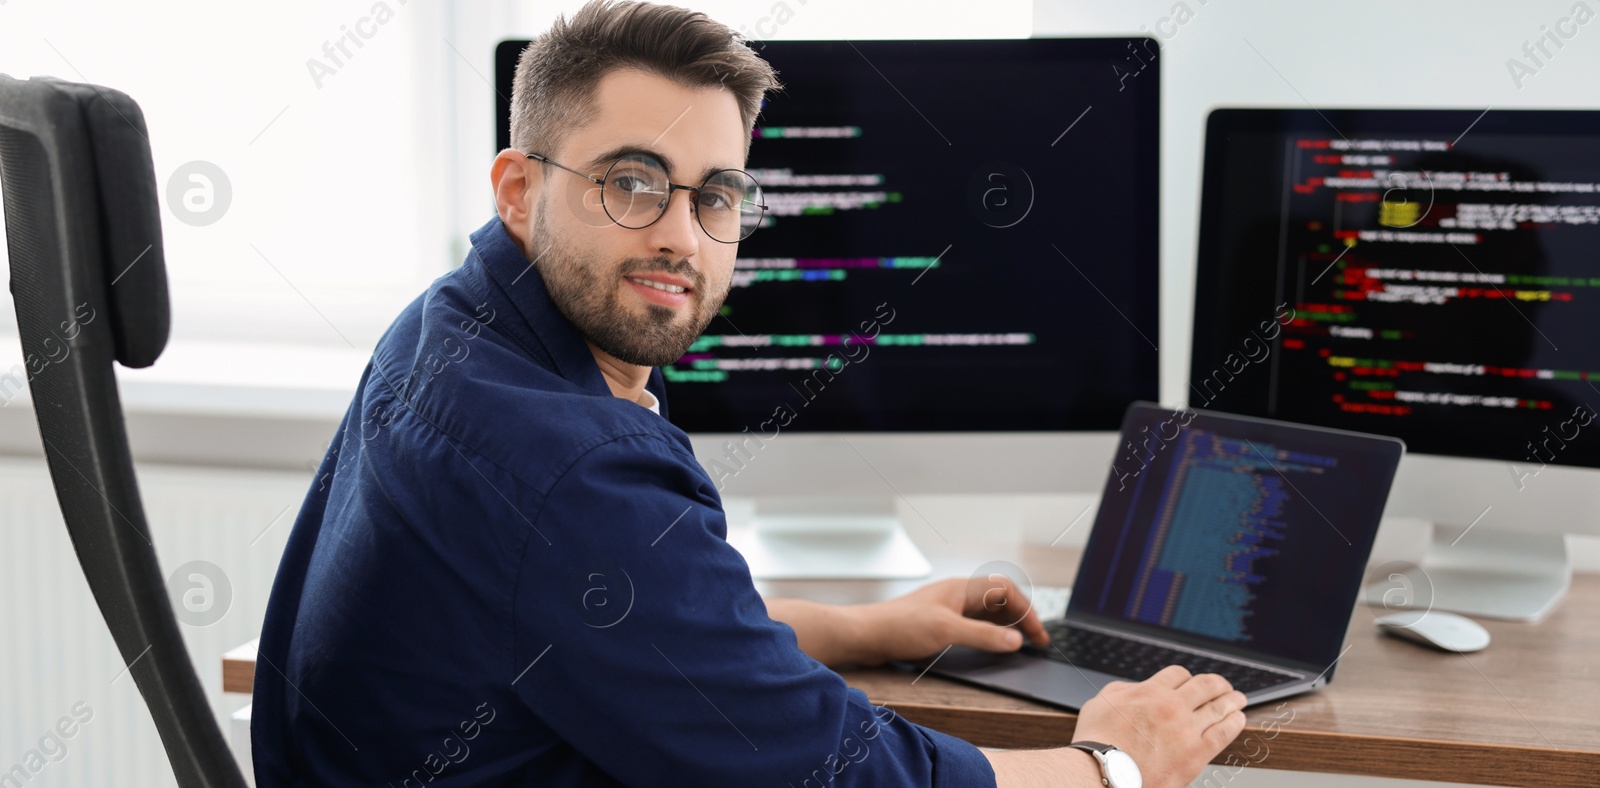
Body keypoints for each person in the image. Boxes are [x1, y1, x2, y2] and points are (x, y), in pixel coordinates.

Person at [251, 2, 1248, 786]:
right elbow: (832, 771)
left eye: (716, 193)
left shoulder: (456, 323)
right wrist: (1111, 764)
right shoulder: (571, 465)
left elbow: (611, 617)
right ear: (518, 189)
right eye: (632, 181)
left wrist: (864, 626)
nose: (682, 235)